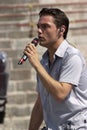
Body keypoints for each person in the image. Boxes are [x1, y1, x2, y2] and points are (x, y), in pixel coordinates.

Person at [24, 8, 87, 130]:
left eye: (45, 26)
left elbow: (60, 93)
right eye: (38, 26)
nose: (39, 31)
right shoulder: (44, 61)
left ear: (61, 30)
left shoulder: (72, 57)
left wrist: (36, 65)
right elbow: (40, 104)